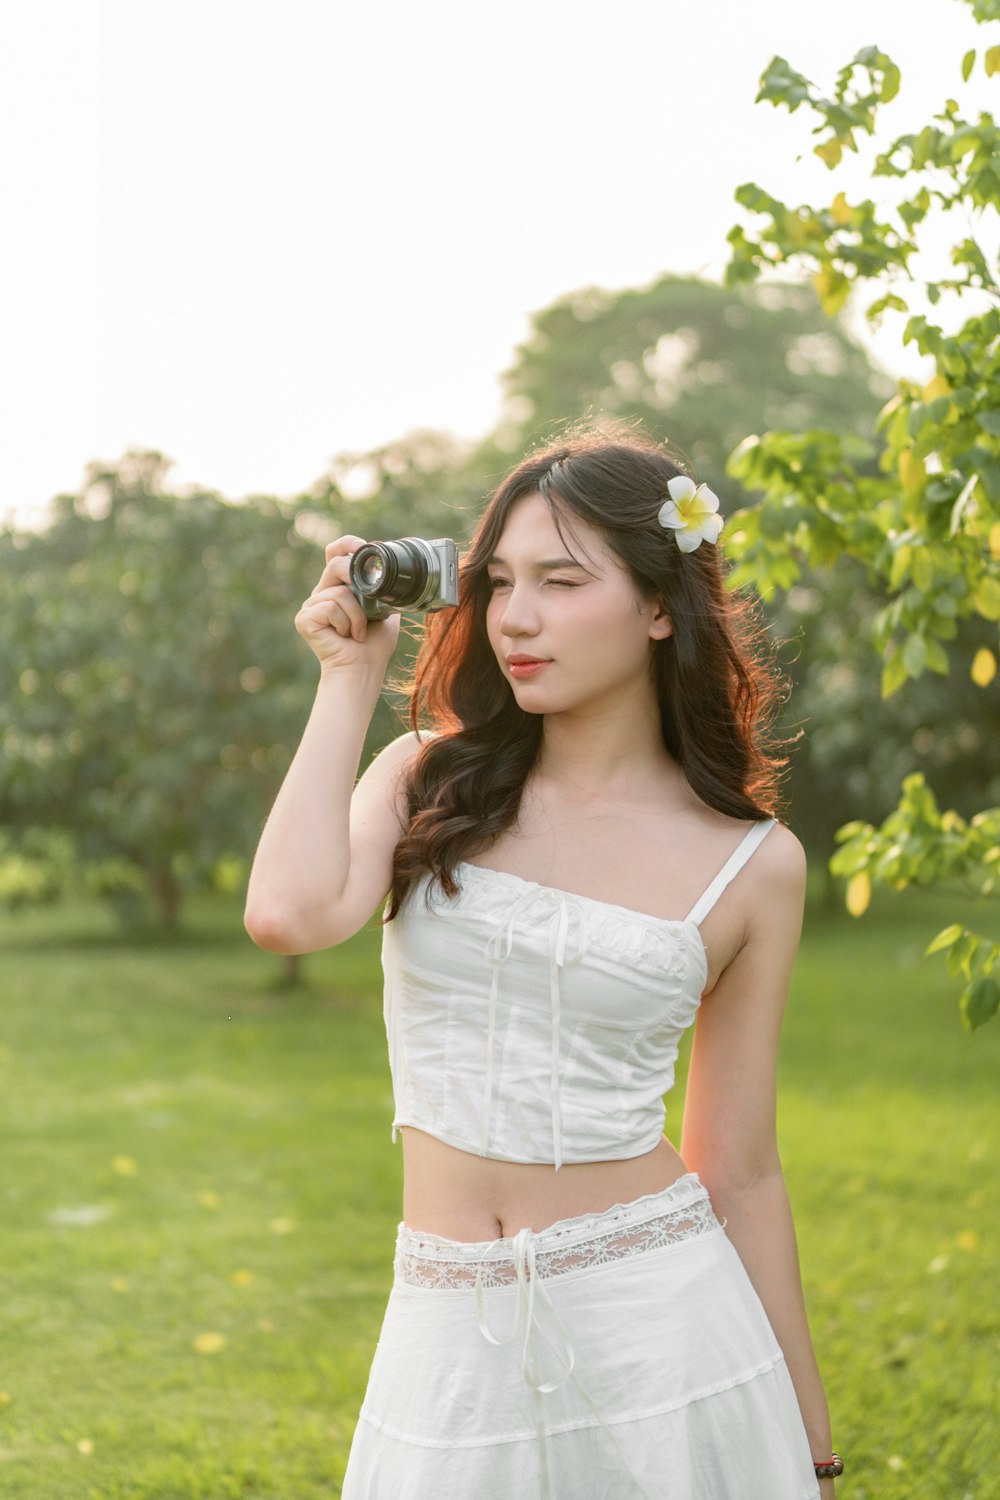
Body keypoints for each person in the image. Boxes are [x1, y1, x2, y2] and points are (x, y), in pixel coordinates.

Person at [244, 429, 842, 1499]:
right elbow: (287, 913)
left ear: (661, 606)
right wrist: (349, 676)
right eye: (501, 582)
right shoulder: (429, 776)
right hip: (443, 1322)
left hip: (661, 1319)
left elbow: (740, 1165)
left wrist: (804, 1429)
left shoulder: (753, 864)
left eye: (561, 582)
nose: (515, 616)